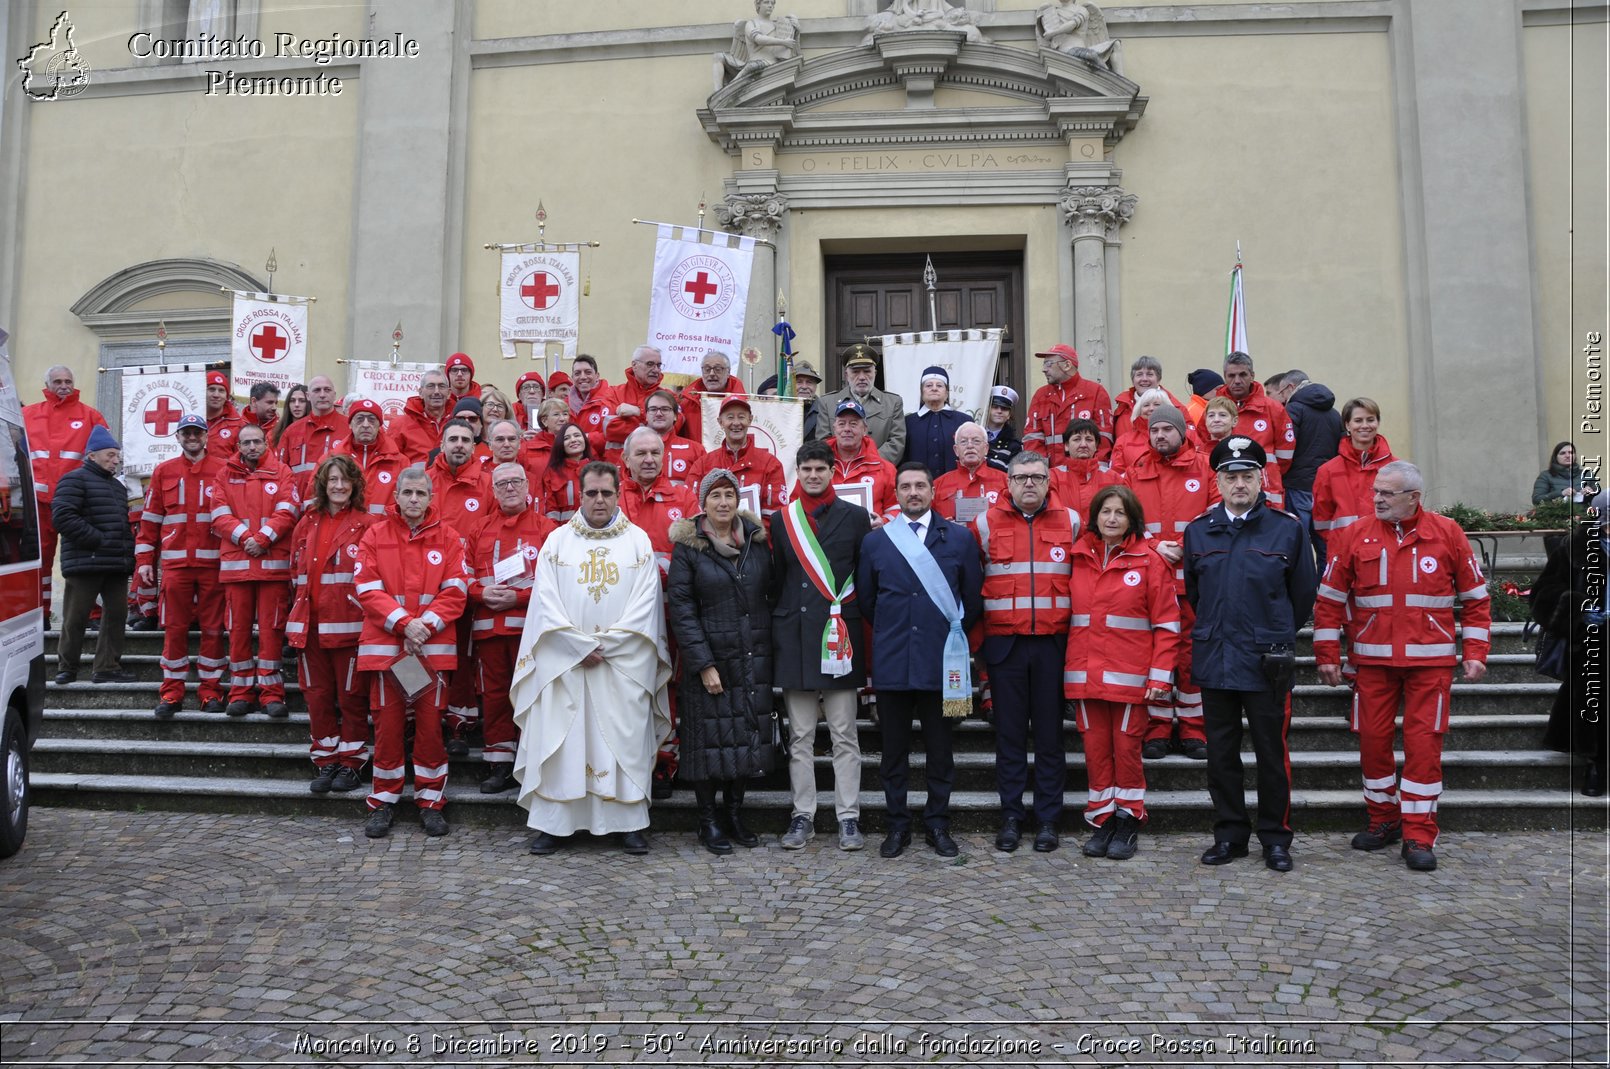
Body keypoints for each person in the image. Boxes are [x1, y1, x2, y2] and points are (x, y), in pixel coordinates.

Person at [1313, 459, 1490, 872]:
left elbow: (1476, 599)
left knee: (1424, 747)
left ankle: (1418, 832)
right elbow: (1329, 600)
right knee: (1373, 743)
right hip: (1372, 664)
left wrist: (1476, 653)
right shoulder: (1355, 535)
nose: (1376, 499)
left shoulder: (1447, 533)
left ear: (1414, 498)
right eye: (1375, 491)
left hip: (1431, 665)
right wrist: (1327, 655)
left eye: (1386, 494)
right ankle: (1383, 820)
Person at [513, 461, 673, 856]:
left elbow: (645, 608)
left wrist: (607, 645)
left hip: (621, 665)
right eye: (591, 493)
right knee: (562, 739)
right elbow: (544, 604)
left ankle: (628, 822)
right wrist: (576, 646)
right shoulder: (556, 542)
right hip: (565, 664)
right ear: (579, 495)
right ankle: (556, 824)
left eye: (606, 492)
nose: (598, 500)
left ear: (618, 493)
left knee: (622, 740)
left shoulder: (637, 541)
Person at [1184, 436, 1317, 873]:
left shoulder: (1287, 529)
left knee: (1270, 755)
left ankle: (1276, 839)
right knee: (1221, 756)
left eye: (1247, 476)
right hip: (1217, 657)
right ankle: (1230, 836)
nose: (1239, 483)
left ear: (1261, 479)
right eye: (1230, 476)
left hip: (1267, 662)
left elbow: (1302, 597)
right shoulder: (1198, 531)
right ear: (1217, 481)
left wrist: (1272, 634)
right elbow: (1195, 594)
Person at [857, 462, 982, 858]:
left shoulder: (959, 539)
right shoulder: (876, 543)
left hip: (940, 664)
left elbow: (973, 602)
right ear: (895, 492)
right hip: (893, 663)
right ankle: (897, 827)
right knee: (893, 753)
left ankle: (937, 825)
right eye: (906, 486)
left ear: (932, 492)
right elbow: (867, 601)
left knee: (940, 752)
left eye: (920, 486)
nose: (913, 493)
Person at [353, 465, 472, 839]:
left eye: (421, 493)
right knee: (387, 728)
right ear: (397, 496)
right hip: (391, 651)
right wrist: (407, 625)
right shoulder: (376, 534)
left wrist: (422, 627)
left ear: (431, 497)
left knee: (429, 730)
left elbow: (456, 590)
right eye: (408, 493)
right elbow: (367, 588)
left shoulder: (449, 537)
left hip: (429, 651)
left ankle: (431, 802)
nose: (415, 500)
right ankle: (383, 802)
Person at [1064, 485, 1180, 860]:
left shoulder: (1150, 561)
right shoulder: (1076, 557)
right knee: (1096, 753)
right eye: (1105, 512)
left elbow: (1166, 624)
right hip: (1084, 678)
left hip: (1131, 681)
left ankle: (1129, 820)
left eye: (1120, 513)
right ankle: (1102, 822)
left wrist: (1160, 677)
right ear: (1094, 517)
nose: (1111, 519)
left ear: (1132, 520)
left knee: (1126, 752)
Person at [972, 449, 1080, 853]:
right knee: (1010, 738)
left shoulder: (1071, 521)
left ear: (1049, 480)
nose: (1029, 483)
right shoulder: (983, 524)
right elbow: (973, 588)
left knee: (1051, 739)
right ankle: (1012, 817)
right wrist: (980, 652)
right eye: (1021, 478)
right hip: (1005, 647)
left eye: (1036, 476)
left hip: (1054, 646)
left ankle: (1049, 820)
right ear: (1008, 483)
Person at [771, 440, 873, 851]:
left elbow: (864, 579)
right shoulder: (782, 521)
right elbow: (777, 581)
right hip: (795, 636)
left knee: (845, 734)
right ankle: (803, 815)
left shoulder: (856, 517)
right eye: (806, 469)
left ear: (833, 471)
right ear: (798, 472)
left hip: (839, 636)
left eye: (820, 469)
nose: (813, 475)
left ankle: (848, 816)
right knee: (800, 736)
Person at [667, 468, 775, 854]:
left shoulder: (757, 542)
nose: (724, 503)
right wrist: (703, 663)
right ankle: (708, 821)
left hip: (751, 655)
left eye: (730, 495)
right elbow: (681, 608)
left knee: (745, 738)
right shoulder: (689, 547)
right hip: (711, 659)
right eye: (716, 496)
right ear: (703, 502)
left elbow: (770, 595)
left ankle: (734, 814)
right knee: (708, 743)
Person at [1124, 404, 1218, 759]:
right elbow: (1127, 520)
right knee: (1155, 654)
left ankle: (1194, 729)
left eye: (1167, 429)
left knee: (1191, 656)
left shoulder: (1206, 467)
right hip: (1152, 579)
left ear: (1182, 431)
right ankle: (1158, 728)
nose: (1160, 435)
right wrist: (1153, 546)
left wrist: (1181, 546)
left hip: (1194, 580)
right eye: (1154, 430)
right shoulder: (1137, 470)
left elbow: (1214, 513)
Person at [286, 453, 377, 793]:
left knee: (352, 697)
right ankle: (325, 760)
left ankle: (352, 762)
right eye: (332, 480)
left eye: (345, 480)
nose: (339, 486)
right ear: (323, 485)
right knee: (317, 697)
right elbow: (293, 575)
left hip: (349, 626)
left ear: (355, 485)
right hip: (308, 628)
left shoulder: (367, 525)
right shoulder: (306, 524)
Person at [467, 461, 556, 793]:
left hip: (529, 631)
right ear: (492, 491)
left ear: (527, 486)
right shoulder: (478, 530)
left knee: (534, 696)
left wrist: (518, 599)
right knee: (494, 698)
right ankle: (499, 764)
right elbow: (462, 576)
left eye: (516, 481)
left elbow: (555, 582)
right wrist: (480, 593)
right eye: (501, 484)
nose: (509, 488)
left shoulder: (547, 529)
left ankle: (534, 761)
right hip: (489, 632)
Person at [137, 414, 226, 716]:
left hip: (214, 565)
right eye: (186, 433)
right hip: (176, 566)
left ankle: (210, 692)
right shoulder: (164, 471)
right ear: (177, 437)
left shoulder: (222, 470)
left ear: (205, 436)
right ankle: (171, 693)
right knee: (174, 629)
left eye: (197, 432)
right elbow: (149, 521)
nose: (192, 437)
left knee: (213, 630)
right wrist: (145, 561)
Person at [210, 423, 299, 718]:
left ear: (266, 443)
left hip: (272, 568)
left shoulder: (282, 471)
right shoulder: (224, 474)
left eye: (256, 442)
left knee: (272, 632)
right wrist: (247, 539)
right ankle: (240, 692)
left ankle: (272, 694)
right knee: (237, 631)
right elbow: (219, 513)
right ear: (238, 446)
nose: (251, 447)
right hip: (238, 569)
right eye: (246, 442)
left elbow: (288, 510)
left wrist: (262, 540)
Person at [1533, 489, 1608, 795]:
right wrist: (1578, 609)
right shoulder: (1574, 548)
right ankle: (1597, 764)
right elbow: (1543, 595)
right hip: (1591, 638)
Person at [426, 418, 493, 753]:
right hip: (425, 588)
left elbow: (494, 534)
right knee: (425, 657)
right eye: (452, 438)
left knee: (463, 660)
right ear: (442, 441)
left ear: (474, 443)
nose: (459, 445)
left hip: (467, 588)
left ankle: (458, 725)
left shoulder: (486, 484)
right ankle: (423, 721)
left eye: (465, 439)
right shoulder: (423, 480)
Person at [50, 425, 136, 686]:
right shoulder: (73, 479)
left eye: (117, 456)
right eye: (110, 455)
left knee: (116, 616)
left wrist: (126, 554)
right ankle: (67, 667)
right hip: (85, 562)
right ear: (92, 455)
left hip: (115, 564)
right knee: (76, 617)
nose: (115, 460)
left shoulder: (119, 489)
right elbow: (63, 517)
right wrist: (98, 541)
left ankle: (107, 667)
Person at [22, 364, 109, 619]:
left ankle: (91, 614)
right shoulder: (28, 415)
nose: (63, 386)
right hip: (39, 503)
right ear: (47, 385)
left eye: (68, 381)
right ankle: (40, 615)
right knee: (40, 562)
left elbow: (106, 456)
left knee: (84, 559)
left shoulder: (90, 416)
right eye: (58, 381)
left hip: (77, 501)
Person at [1207, 352, 1293, 507]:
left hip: (1267, 492)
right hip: (1225, 489)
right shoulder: (1213, 409)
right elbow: (1205, 450)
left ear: (1252, 375)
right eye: (1231, 376)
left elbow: (1285, 457)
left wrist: (1266, 474)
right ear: (1224, 377)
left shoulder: (1273, 408)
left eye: (1243, 375)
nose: (1237, 381)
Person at [1312, 397, 1397, 549]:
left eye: (1370, 420)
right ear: (1347, 425)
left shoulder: (1395, 468)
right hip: (1344, 551)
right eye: (1358, 420)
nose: (1365, 426)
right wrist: (1338, 541)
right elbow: (1321, 521)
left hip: (1387, 550)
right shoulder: (1328, 471)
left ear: (1377, 423)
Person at [687, 396, 787, 516]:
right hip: (712, 534)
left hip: (754, 534)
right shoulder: (702, 464)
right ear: (720, 422)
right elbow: (692, 510)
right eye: (730, 417)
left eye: (741, 417)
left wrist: (752, 534)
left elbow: (775, 514)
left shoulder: (770, 464)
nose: (736, 423)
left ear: (750, 420)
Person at [1280, 369, 1343, 554]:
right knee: (1324, 547)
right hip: (1326, 489)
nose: (1282, 398)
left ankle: (1304, 584)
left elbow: (1287, 447)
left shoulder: (1293, 410)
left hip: (1297, 486)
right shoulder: (1334, 414)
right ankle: (1323, 583)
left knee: (1298, 547)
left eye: (1282, 392)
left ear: (1291, 387)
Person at [812, 344, 906, 464]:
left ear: (875, 373)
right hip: (840, 472)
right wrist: (846, 465)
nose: (862, 377)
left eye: (867, 371)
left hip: (878, 469)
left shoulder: (893, 402)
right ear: (846, 375)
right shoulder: (827, 403)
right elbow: (824, 441)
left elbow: (896, 442)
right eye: (855, 372)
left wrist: (870, 462)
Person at [1024, 343, 1113, 465]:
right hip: (1051, 477)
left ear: (1067, 365)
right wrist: (1040, 473)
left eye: (1049, 364)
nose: (1044, 369)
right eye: (1044, 364)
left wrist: (1095, 472)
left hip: (1086, 475)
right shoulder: (1041, 395)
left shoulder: (1096, 392)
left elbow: (1104, 440)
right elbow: (1032, 440)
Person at [330, 398, 409, 515]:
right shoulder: (331, 459)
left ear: (379, 425)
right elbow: (316, 499)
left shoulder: (401, 462)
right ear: (350, 424)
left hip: (385, 532)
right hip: (343, 531)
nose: (366, 425)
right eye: (360, 419)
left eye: (372, 420)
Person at [278, 374, 349, 497]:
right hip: (299, 507)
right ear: (308, 396)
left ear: (334, 395)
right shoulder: (292, 432)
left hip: (337, 507)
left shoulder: (349, 428)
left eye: (327, 390)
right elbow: (280, 473)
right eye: (317, 390)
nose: (322, 394)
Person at [828, 399, 896, 519]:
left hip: (871, 536)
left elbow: (896, 508)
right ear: (834, 429)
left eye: (853, 424)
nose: (847, 429)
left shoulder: (886, 469)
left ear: (864, 429)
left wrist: (883, 523)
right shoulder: (817, 466)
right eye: (841, 424)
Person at [713, 0, 800, 90]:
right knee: (718, 56)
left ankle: (729, 89)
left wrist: (794, 31)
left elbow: (788, 51)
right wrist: (783, 42)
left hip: (769, 64)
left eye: (772, 3)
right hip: (753, 62)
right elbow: (758, 39)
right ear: (758, 5)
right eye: (766, 2)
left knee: (753, 66)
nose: (770, 5)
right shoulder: (751, 24)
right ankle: (718, 92)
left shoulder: (778, 27)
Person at [902, 366, 973, 476]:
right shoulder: (908, 422)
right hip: (918, 487)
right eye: (929, 385)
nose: (934, 388)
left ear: (947, 393)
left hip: (956, 487)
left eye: (939, 385)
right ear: (921, 392)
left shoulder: (964, 421)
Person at [932, 421, 1007, 523]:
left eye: (976, 441)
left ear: (986, 448)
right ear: (956, 450)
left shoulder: (1005, 481)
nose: (970, 446)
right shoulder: (938, 485)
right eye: (963, 442)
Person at [1050, 418, 1121, 519]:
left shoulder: (1114, 478)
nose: (1083, 445)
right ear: (1066, 445)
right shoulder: (1053, 477)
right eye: (1077, 439)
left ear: (1096, 445)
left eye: (1089, 439)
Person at [1112, 355, 1187, 441]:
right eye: (1139, 374)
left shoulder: (1178, 409)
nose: (1144, 379)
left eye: (1150, 374)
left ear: (1158, 379)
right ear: (1133, 380)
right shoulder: (1122, 410)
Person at [386, 368, 453, 464]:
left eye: (441, 386)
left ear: (449, 393)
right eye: (431, 386)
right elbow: (391, 463)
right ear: (420, 392)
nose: (437, 391)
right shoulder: (400, 425)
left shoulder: (458, 421)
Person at [1106, 387, 1172, 475]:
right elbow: (1116, 475)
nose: (1151, 408)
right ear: (1139, 410)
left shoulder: (1179, 436)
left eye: (1157, 404)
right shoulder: (1124, 441)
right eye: (1146, 405)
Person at [607, 344, 666, 438]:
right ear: (634, 365)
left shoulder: (668, 397)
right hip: (620, 453)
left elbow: (672, 429)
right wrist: (650, 424)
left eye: (658, 365)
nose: (656, 370)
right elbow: (609, 429)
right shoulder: (614, 393)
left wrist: (639, 412)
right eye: (650, 364)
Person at [539, 422, 592, 522]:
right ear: (560, 444)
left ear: (584, 439)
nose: (573, 440)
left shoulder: (598, 469)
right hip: (566, 533)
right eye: (566, 438)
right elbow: (550, 511)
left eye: (577, 435)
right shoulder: (552, 473)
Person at [567, 354, 617, 453]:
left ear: (597, 376)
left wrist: (586, 437)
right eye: (577, 373)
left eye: (588, 372)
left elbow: (613, 437)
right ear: (572, 377)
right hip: (573, 463)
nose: (583, 377)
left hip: (601, 464)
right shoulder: (565, 405)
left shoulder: (611, 399)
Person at [204, 370, 246, 458]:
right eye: (211, 389)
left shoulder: (239, 425)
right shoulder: (191, 418)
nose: (216, 395)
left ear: (226, 396)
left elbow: (242, 460)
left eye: (221, 391)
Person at [982, 385, 1022, 470]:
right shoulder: (974, 435)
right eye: (995, 407)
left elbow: (1013, 473)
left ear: (1009, 415)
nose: (999, 411)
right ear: (987, 410)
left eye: (1004, 408)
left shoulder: (1014, 445)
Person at [793, 359, 824, 441]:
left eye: (809, 382)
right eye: (799, 382)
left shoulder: (824, 409)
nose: (804, 387)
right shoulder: (783, 408)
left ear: (815, 386)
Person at [273, 383, 310, 447]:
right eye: (292, 401)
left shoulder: (315, 432)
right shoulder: (275, 433)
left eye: (302, 401)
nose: (296, 405)